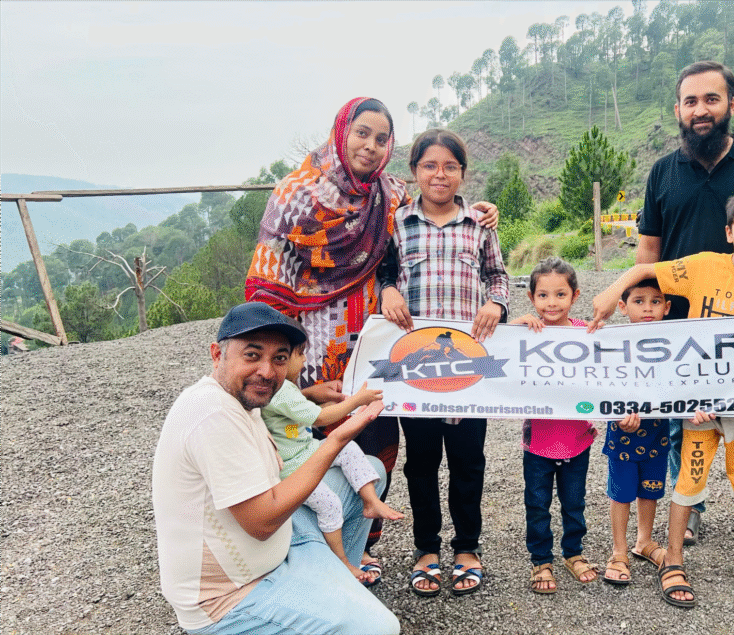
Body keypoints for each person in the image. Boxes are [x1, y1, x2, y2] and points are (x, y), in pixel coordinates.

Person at [246, 97, 498, 579]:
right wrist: (278, 365)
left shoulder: (390, 195)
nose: (370, 146)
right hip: (312, 350)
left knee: (375, 446)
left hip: (378, 349)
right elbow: (269, 283)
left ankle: (361, 547)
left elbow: (439, 207)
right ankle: (305, 550)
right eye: (362, 133)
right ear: (341, 132)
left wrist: (485, 211)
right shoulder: (296, 194)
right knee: (305, 441)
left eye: (382, 139)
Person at [592, 188, 734, 608]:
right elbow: (645, 268)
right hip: (698, 403)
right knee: (688, 477)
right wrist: (613, 292)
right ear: (729, 233)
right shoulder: (703, 266)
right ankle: (673, 557)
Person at [152, 302, 397, 635]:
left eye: (279, 358)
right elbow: (262, 523)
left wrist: (310, 394)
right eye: (252, 355)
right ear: (217, 355)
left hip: (278, 543)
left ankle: (343, 580)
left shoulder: (243, 396)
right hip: (233, 595)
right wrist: (337, 439)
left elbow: (283, 407)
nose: (267, 371)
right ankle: (338, 603)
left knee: (369, 469)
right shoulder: (213, 413)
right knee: (379, 628)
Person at [636, 60, 734, 562]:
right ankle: (691, 507)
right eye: (691, 101)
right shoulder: (662, 172)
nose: (700, 110)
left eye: (711, 99)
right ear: (678, 110)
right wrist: (643, 318)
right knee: (684, 425)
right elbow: (649, 250)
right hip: (683, 331)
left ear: (732, 104)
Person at [378, 128, 509, 597]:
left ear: (462, 173)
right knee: (421, 463)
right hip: (416, 369)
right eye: (430, 165)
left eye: (450, 166)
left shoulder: (480, 224)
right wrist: (387, 290)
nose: (440, 174)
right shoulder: (397, 223)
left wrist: (496, 303)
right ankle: (427, 549)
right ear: (414, 171)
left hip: (469, 367)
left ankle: (467, 548)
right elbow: (384, 274)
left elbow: (498, 275)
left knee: (469, 461)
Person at [261, 338, 404, 585]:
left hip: (306, 450)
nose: (304, 360)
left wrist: (313, 395)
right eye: (300, 354)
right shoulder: (281, 391)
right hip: (293, 468)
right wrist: (356, 401)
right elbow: (320, 418)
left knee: (348, 449)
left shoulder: (285, 388)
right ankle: (343, 560)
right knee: (330, 504)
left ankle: (370, 501)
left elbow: (297, 412)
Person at [509, 257, 600, 594]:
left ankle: (573, 553)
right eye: (543, 295)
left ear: (574, 296)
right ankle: (541, 559)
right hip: (538, 443)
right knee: (537, 504)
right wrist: (513, 328)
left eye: (560, 294)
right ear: (531, 298)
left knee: (574, 503)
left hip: (577, 439)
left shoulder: (586, 333)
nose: (552, 303)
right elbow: (498, 351)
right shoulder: (525, 334)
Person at [601, 279, 672, 586]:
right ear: (622, 306)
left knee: (651, 489)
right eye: (638, 301)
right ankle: (618, 550)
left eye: (655, 301)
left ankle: (644, 541)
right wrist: (616, 417)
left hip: (658, 433)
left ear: (667, 307)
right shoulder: (612, 343)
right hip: (623, 435)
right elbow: (600, 383)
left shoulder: (676, 343)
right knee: (621, 493)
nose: (647, 308)